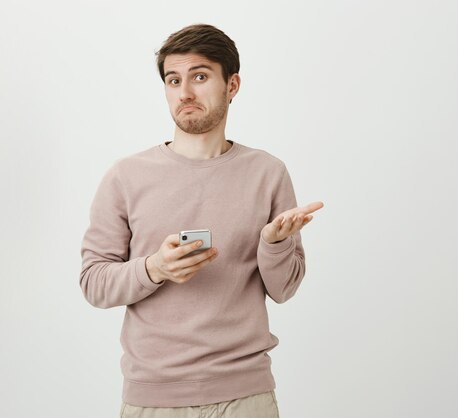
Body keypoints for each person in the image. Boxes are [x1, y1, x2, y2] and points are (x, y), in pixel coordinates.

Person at [79, 23, 324, 418]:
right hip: (153, 399)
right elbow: (93, 283)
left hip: (246, 396)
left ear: (232, 85)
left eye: (200, 76)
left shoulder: (267, 172)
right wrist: (154, 268)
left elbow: (284, 289)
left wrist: (274, 244)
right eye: (173, 80)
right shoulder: (125, 176)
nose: (185, 92)